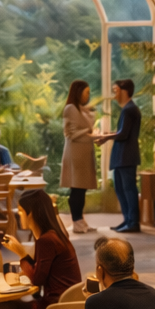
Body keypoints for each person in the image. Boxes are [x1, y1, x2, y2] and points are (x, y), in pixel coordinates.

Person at [0, 188, 81, 309]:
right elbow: (40, 270)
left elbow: (37, 279)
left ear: (33, 213)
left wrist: (21, 253)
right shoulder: (54, 236)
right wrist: (22, 254)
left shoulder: (46, 240)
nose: (19, 215)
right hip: (63, 306)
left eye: (22, 211)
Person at [94, 78, 142, 234]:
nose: (114, 93)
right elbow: (121, 132)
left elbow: (123, 134)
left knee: (128, 189)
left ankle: (133, 222)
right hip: (123, 156)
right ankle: (128, 220)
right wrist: (107, 135)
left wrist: (106, 137)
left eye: (116, 90)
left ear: (124, 90)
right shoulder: (128, 109)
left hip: (126, 157)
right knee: (121, 189)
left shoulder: (130, 109)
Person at [60, 78, 97, 235]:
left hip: (83, 152)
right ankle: (76, 221)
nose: (88, 95)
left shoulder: (81, 109)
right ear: (78, 92)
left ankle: (80, 220)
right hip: (76, 154)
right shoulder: (71, 108)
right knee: (77, 189)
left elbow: (84, 129)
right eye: (86, 92)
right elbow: (73, 134)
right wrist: (92, 135)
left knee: (81, 190)